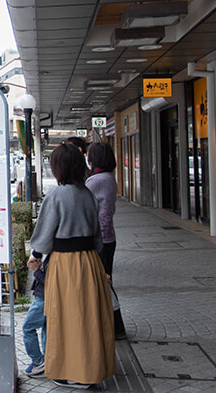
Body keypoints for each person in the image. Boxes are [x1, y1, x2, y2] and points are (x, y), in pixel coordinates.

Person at [29, 143, 115, 388]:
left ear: (59, 168)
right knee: (88, 316)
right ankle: (92, 367)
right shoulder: (87, 193)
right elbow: (98, 236)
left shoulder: (57, 195)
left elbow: (45, 234)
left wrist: (35, 254)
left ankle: (72, 371)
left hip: (65, 263)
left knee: (65, 317)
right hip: (89, 261)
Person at [86, 142, 127, 340]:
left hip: (100, 239)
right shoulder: (109, 177)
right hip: (108, 237)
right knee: (106, 281)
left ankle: (116, 328)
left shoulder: (96, 181)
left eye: (89, 156)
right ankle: (113, 327)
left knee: (103, 284)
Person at [22, 251, 49, 377]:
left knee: (28, 327)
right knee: (46, 329)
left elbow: (49, 280)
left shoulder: (57, 250)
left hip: (43, 298)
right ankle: (47, 361)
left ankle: (38, 361)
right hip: (46, 297)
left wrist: (36, 269)